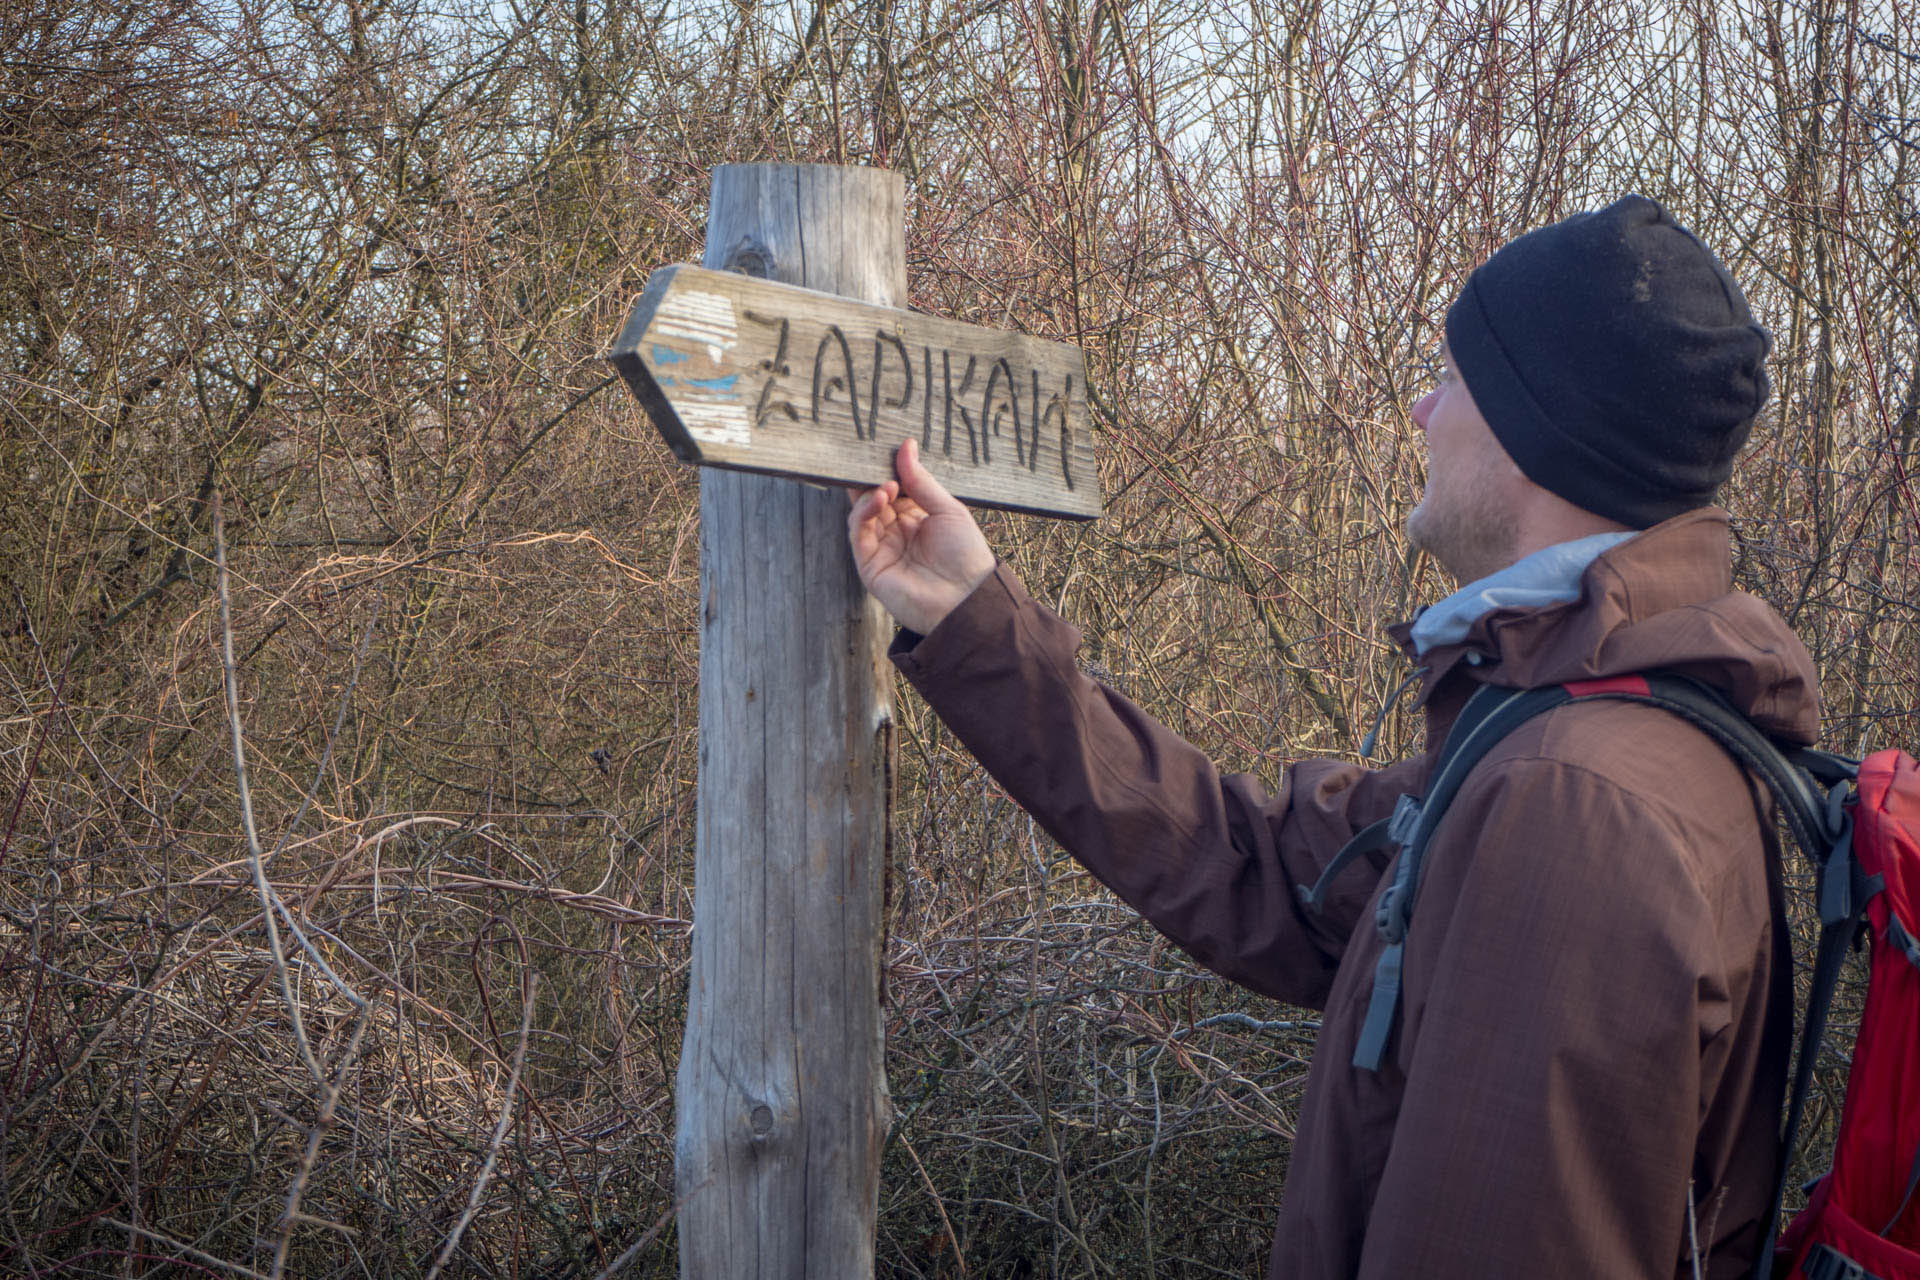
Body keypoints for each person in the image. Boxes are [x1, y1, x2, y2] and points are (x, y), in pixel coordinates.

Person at [848, 195, 1816, 1278]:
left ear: (1538, 433)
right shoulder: (1572, 729)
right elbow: (1257, 860)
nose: (1420, 409)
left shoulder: (1575, 805)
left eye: (1454, 379)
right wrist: (971, 611)